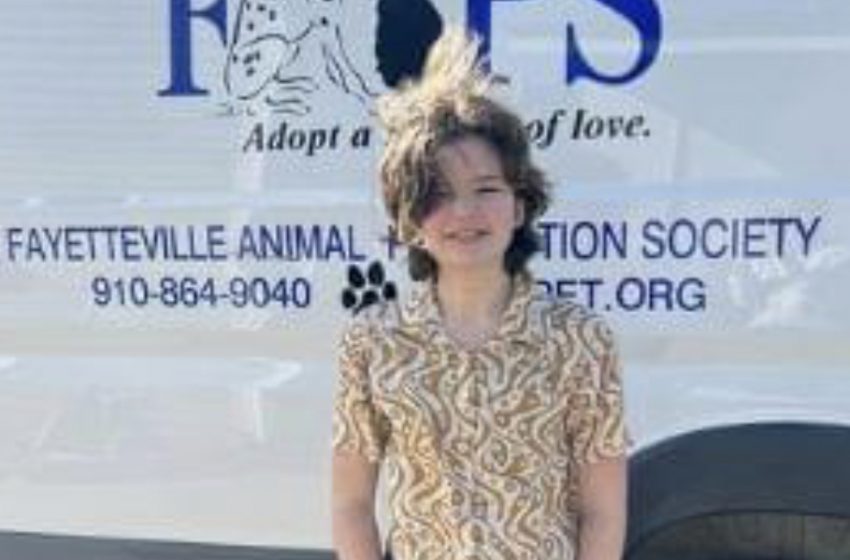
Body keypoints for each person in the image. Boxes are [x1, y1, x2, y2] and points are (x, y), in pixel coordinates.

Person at [331, 25, 629, 560]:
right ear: (408, 221)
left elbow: (602, 511)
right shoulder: (373, 343)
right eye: (438, 194)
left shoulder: (579, 339)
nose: (465, 211)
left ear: (519, 206)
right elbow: (351, 504)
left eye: (486, 189)